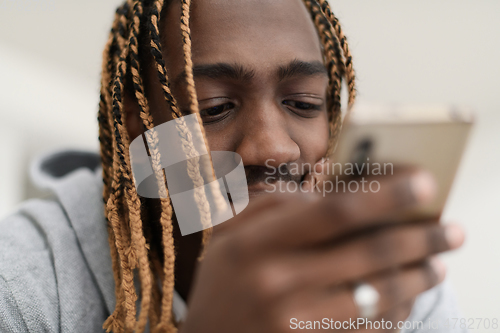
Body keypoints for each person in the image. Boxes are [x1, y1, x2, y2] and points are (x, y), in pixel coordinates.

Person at [0, 0, 467, 332]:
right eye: (215, 107)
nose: (274, 149)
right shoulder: (21, 287)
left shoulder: (388, 285)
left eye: (304, 103)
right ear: (136, 125)